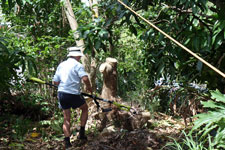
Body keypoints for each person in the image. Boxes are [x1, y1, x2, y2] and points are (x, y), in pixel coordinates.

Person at [53, 46, 92, 149]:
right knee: (84, 108)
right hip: (73, 94)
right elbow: (85, 78)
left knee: (66, 118)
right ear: (76, 56)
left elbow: (55, 82)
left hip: (62, 93)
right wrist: (89, 88)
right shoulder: (78, 65)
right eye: (79, 56)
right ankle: (82, 133)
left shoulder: (61, 65)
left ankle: (67, 142)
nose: (79, 57)